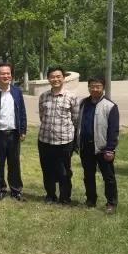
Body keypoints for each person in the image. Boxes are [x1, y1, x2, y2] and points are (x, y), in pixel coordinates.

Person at [77, 76, 119, 213]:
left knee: (108, 177)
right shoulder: (83, 103)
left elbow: (113, 130)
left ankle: (111, 203)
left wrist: (110, 149)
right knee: (88, 175)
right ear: (88, 87)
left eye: (98, 86)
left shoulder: (110, 106)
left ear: (103, 88)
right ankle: (91, 200)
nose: (95, 89)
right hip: (86, 147)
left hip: (103, 148)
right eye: (92, 86)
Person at [38, 66, 79, 205]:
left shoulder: (71, 97)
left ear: (63, 78)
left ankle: (65, 197)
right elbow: (42, 117)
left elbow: (75, 119)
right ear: (48, 79)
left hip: (64, 141)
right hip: (45, 140)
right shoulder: (43, 96)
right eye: (52, 77)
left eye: (58, 76)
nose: (55, 79)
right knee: (47, 169)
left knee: (64, 171)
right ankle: (50, 195)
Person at [0, 63, 28, 201]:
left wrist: (23, 130)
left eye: (8, 73)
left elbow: (22, 111)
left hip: (14, 133)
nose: (6, 76)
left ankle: (16, 190)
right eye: (3, 74)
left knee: (14, 163)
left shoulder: (17, 91)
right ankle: (0, 189)